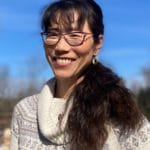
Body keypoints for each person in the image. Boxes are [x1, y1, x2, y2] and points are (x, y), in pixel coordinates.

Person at [10, 0, 150, 149]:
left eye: (75, 35)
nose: (60, 47)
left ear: (97, 44)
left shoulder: (120, 110)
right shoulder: (25, 111)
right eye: (52, 34)